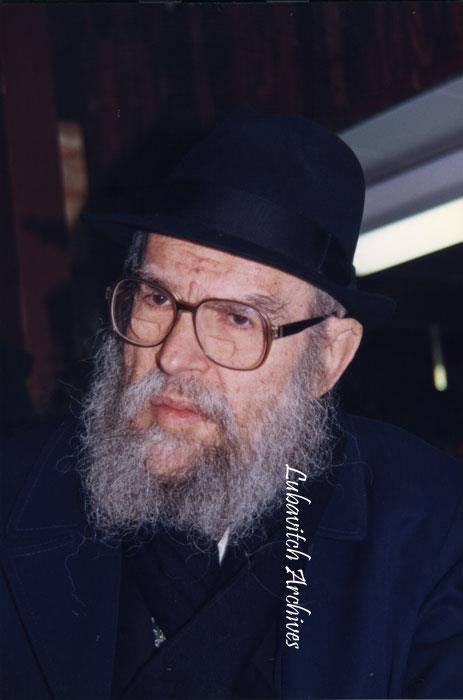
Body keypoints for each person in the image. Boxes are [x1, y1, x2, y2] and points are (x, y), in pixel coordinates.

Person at [1, 107, 462, 700]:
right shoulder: (13, 493)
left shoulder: (432, 529)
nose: (174, 356)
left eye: (239, 319)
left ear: (329, 358)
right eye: (157, 298)